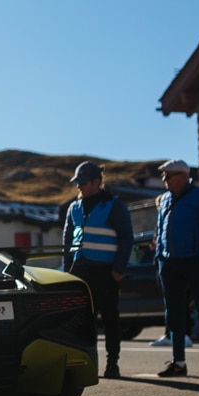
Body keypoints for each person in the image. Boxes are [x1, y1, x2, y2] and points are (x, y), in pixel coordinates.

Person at [61, 161, 134, 379]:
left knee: (110, 319)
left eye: (82, 182)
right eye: (77, 182)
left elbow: (127, 239)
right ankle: (85, 362)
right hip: (79, 271)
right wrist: (67, 272)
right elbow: (66, 241)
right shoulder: (73, 208)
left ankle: (113, 362)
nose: (79, 187)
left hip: (105, 271)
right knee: (83, 321)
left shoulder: (114, 205)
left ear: (96, 182)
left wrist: (118, 270)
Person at [154, 160, 199, 378]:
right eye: (163, 176)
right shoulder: (165, 199)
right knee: (174, 314)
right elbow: (160, 229)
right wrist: (160, 257)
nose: (164, 180)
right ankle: (178, 362)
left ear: (183, 176)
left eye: (169, 175)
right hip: (169, 263)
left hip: (195, 261)